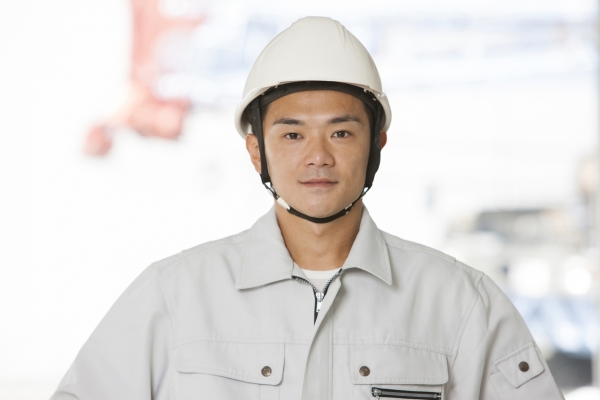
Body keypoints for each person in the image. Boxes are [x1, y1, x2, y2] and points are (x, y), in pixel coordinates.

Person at [51, 17, 564, 400]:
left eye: (341, 133)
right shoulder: (174, 297)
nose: (318, 156)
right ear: (257, 151)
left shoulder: (461, 304)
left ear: (377, 145)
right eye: (292, 134)